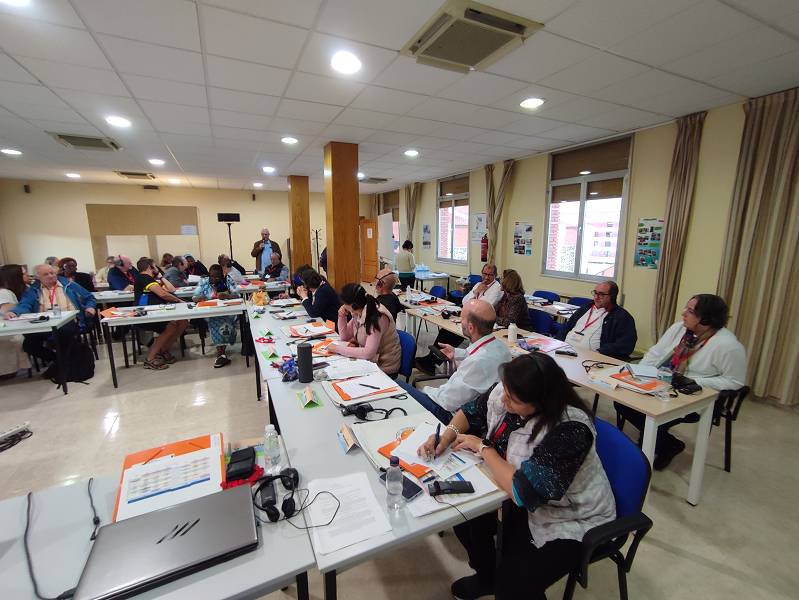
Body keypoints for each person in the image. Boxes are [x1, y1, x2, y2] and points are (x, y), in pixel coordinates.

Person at [417, 353, 615, 600]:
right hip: (515, 492)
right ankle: (486, 577)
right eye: (506, 392)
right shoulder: (510, 390)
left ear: (541, 402)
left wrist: (483, 448)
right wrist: (446, 437)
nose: (504, 399)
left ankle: (501, 583)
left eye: (513, 400)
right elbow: (470, 412)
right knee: (465, 514)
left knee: (513, 586)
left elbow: (524, 492)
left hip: (570, 515)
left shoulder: (569, 430)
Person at [616, 294, 747, 470]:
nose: (683, 313)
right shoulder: (679, 329)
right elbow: (656, 352)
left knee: (651, 412)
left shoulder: (728, 345)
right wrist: (640, 373)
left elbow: (735, 381)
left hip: (693, 395)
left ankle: (653, 448)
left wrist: (689, 381)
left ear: (706, 318)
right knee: (622, 402)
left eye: (690, 311)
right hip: (662, 382)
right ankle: (669, 444)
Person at [398, 299, 512, 424]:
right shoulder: (501, 348)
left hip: (450, 415)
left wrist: (424, 391)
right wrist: (457, 353)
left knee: (397, 386)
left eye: (461, 319)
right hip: (467, 408)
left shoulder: (477, 362)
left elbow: (447, 402)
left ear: (471, 328)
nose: (459, 322)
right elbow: (477, 357)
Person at [415, 264, 504, 374]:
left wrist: (473, 300)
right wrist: (476, 292)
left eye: (490, 275)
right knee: (445, 331)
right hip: (469, 317)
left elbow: (485, 306)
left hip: (482, 323)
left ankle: (431, 362)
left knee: (454, 334)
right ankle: (430, 359)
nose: (486, 277)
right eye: (484, 274)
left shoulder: (497, 288)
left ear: (495, 275)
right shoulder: (478, 285)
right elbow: (464, 301)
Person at [4, 264, 96, 363]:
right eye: (46, 274)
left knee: (62, 336)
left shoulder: (69, 285)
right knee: (29, 344)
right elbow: (24, 304)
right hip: (44, 324)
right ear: (38, 277)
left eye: (52, 273)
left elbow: (89, 297)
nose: (51, 276)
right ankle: (58, 360)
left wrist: (90, 307)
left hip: (70, 321)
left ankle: (66, 363)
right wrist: (14, 312)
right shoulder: (33, 290)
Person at [330, 284, 402, 376]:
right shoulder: (358, 311)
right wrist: (341, 315)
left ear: (353, 305)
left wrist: (337, 349)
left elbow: (368, 353)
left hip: (384, 367)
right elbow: (345, 336)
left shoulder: (378, 316)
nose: (343, 306)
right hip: (370, 361)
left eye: (344, 304)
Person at [556, 280, 637, 360]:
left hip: (591, 359)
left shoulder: (622, 317)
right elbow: (566, 326)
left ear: (612, 296)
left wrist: (601, 352)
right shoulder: (586, 308)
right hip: (564, 351)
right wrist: (559, 342)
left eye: (601, 294)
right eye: (595, 293)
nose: (596, 297)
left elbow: (626, 344)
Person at [133, 258, 188, 370]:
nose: (157, 268)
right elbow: (162, 294)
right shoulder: (144, 278)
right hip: (146, 314)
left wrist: (161, 277)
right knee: (171, 326)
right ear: (150, 267)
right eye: (155, 266)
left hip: (155, 311)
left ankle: (163, 350)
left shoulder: (150, 279)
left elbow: (171, 290)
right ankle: (150, 358)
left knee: (183, 321)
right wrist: (179, 301)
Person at [192, 264, 240, 369]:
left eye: (218, 277)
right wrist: (200, 298)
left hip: (227, 312)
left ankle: (221, 354)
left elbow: (237, 294)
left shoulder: (227, 281)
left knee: (224, 322)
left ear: (222, 275)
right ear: (209, 275)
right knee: (217, 322)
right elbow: (194, 297)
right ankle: (221, 354)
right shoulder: (203, 282)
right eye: (212, 276)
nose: (215, 279)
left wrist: (228, 296)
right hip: (210, 313)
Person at [0, 265, 31, 378]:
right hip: (7, 328)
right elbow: (8, 315)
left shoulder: (27, 289)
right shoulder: (5, 293)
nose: (27, 275)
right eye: (24, 274)